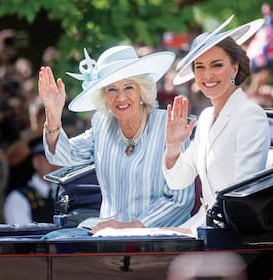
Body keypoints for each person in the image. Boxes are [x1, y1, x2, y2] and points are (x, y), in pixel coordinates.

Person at [38, 45, 195, 233]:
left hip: (161, 241)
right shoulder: (102, 124)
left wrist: (132, 227)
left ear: (141, 90)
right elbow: (63, 156)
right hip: (110, 239)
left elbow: (181, 199)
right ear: (104, 95)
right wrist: (54, 115)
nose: (121, 97)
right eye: (112, 89)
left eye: (128, 87)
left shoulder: (170, 125)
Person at [163, 15, 271, 233]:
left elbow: (242, 192)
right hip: (203, 226)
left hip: (231, 232)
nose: (207, 75)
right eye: (200, 67)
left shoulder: (250, 115)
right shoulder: (204, 117)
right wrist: (173, 147)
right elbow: (179, 181)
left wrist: (200, 228)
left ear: (234, 68)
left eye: (217, 65)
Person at [4, 136, 59, 224]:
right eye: (49, 159)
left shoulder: (65, 194)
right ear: (36, 162)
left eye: (58, 158)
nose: (55, 164)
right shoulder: (19, 198)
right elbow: (23, 236)